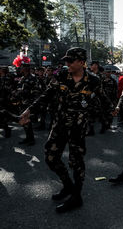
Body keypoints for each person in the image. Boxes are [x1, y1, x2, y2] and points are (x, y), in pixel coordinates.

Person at [19, 47, 113, 213]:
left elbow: (104, 100)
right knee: (50, 157)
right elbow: (46, 95)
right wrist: (29, 110)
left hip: (78, 128)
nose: (67, 63)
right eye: (66, 60)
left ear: (82, 62)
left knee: (77, 162)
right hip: (60, 124)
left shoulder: (93, 80)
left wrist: (112, 113)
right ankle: (68, 186)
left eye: (71, 60)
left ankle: (77, 197)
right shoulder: (61, 76)